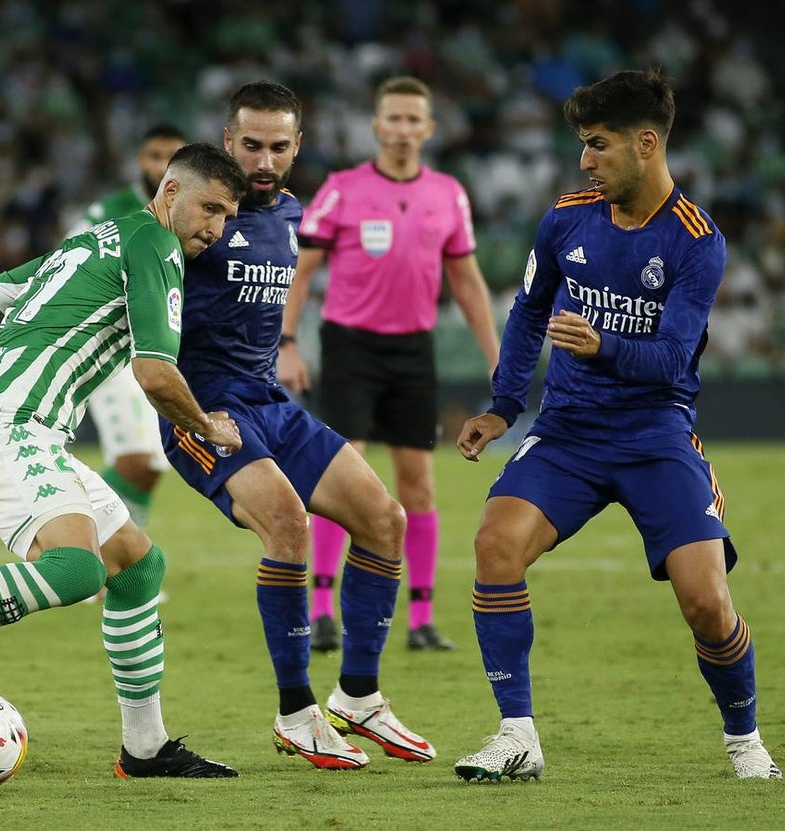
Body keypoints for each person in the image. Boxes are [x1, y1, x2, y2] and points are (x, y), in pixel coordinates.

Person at [0, 142, 248, 779]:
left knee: (137, 567)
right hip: (9, 428)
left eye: (227, 217)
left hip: (21, 430)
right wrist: (206, 426)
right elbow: (154, 373)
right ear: (170, 192)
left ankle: (145, 749)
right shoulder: (155, 245)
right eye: (210, 209)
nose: (216, 229)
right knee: (77, 570)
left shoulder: (94, 240)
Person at [452, 69, 782, 781]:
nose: (585, 161)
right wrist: (503, 405)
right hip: (568, 430)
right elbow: (529, 311)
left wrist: (603, 344)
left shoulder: (697, 241)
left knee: (706, 601)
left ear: (646, 144)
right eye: (583, 144)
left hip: (656, 433)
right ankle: (517, 736)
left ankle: (745, 740)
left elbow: (670, 361)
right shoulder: (567, 217)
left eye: (598, 145)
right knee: (495, 544)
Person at [160, 81, 434, 770]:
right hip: (205, 412)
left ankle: (359, 696)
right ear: (227, 140)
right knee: (288, 525)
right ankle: (295, 712)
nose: (264, 160)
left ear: (297, 146)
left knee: (386, 520)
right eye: (251, 144)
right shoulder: (191, 220)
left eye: (278, 147)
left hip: (270, 402)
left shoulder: (291, 214)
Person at [279, 76, 500, 653]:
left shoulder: (448, 194)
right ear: (377, 126)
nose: (402, 129)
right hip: (350, 347)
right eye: (393, 119)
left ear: (429, 129)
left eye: (412, 120)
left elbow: (468, 282)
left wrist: (499, 358)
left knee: (418, 485)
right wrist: (287, 342)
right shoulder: (343, 189)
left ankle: (421, 620)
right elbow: (301, 269)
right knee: (342, 475)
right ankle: (321, 610)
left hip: (413, 352)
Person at [65, 124, 189, 528]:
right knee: (137, 460)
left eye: (172, 157)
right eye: (155, 156)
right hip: (110, 347)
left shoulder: (195, 214)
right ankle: (66, 533)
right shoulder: (109, 211)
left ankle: (113, 554)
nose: (163, 166)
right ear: (140, 160)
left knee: (151, 465)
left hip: (157, 348)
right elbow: (65, 263)